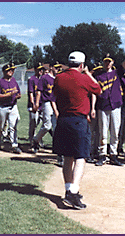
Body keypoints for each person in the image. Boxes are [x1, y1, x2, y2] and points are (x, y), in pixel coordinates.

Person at [53, 51, 102, 209]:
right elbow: (98, 90)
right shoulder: (83, 77)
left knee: (68, 157)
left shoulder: (59, 77)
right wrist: (87, 73)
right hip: (78, 121)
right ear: (82, 65)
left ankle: (68, 190)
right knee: (81, 157)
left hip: (63, 120)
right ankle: (73, 192)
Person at [95, 43, 125, 166]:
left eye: (109, 61)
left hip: (115, 106)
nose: (107, 63)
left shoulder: (117, 73)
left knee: (115, 132)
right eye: (105, 61)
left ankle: (113, 155)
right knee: (103, 132)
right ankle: (102, 155)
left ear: (112, 62)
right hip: (103, 107)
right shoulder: (99, 75)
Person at [0, 63, 22, 154]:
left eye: (12, 70)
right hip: (2, 107)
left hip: (13, 106)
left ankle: (14, 145)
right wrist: (9, 94)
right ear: (4, 72)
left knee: (13, 126)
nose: (12, 72)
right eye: (9, 70)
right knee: (1, 126)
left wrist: (17, 96)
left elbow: (18, 93)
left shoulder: (14, 81)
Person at [32, 61, 60, 153]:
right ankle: (36, 139)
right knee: (47, 126)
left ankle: (56, 147)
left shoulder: (58, 78)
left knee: (56, 127)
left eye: (58, 67)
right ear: (51, 67)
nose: (57, 69)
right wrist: (36, 103)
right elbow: (39, 91)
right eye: (56, 67)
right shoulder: (44, 78)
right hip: (47, 102)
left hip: (56, 103)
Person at [27, 62, 44, 145]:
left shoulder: (43, 79)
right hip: (34, 104)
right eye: (39, 69)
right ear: (35, 70)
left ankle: (38, 138)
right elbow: (30, 92)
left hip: (42, 104)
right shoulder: (32, 79)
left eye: (41, 69)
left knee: (40, 122)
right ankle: (31, 139)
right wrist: (33, 104)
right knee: (33, 122)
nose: (40, 70)